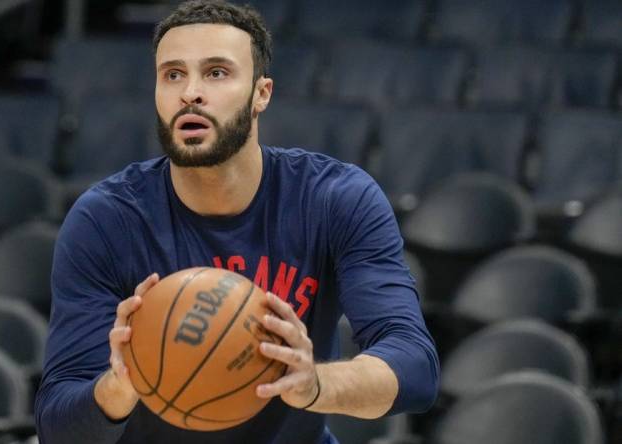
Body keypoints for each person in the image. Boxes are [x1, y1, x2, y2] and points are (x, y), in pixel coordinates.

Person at [35, 1, 439, 443]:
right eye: (173, 74)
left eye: (216, 73)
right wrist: (122, 385)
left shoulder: (334, 198)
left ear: (261, 93)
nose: (190, 92)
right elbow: (57, 426)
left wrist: (315, 385)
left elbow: (415, 366)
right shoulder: (107, 218)